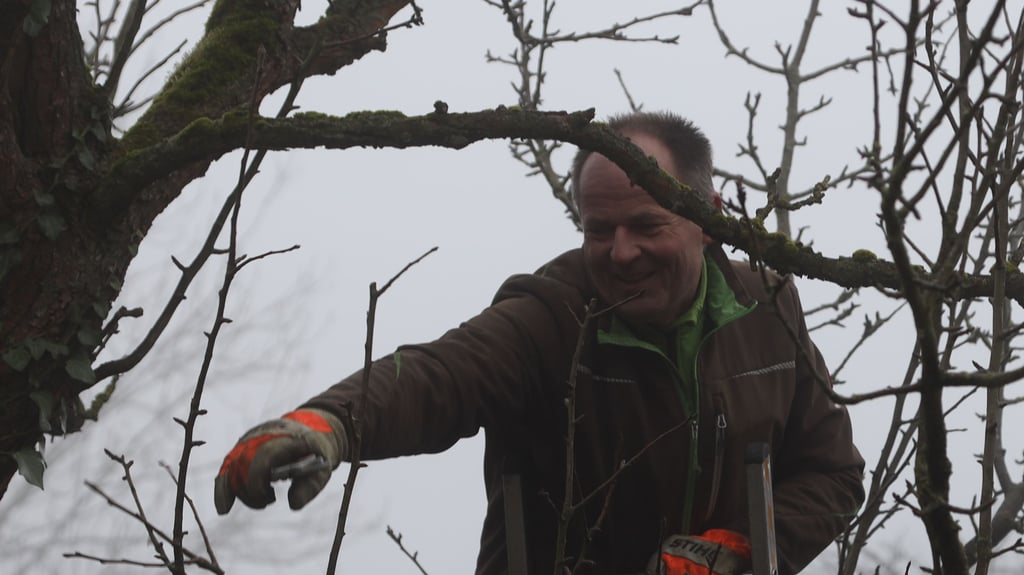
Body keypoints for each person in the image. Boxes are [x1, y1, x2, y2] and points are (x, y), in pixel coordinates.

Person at [214, 111, 865, 575]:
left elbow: (834, 474)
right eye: (598, 228)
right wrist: (327, 423)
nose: (621, 252)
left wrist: (740, 547)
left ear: (708, 219)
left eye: (646, 225)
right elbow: (440, 375)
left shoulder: (768, 309)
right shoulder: (553, 315)